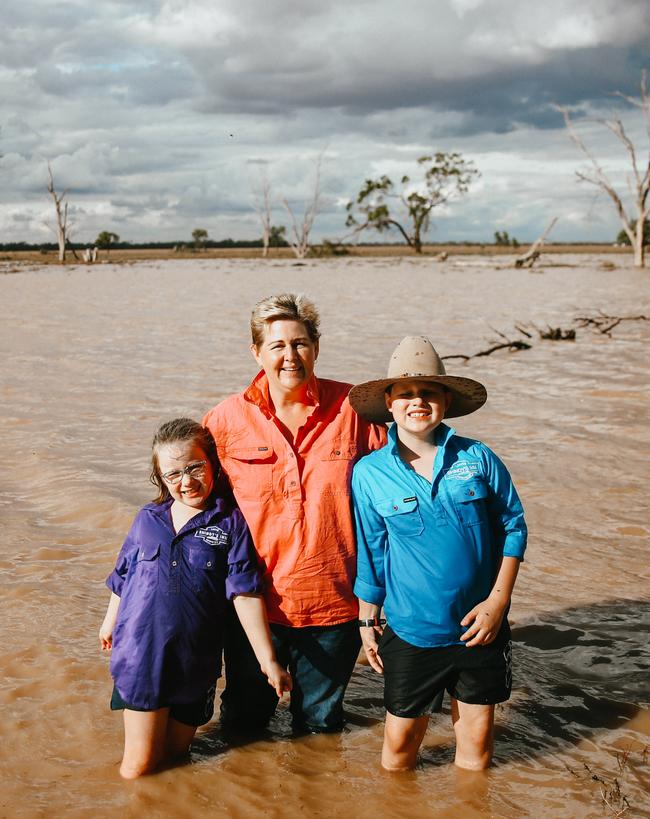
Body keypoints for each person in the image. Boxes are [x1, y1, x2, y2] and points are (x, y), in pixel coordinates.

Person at [203, 294, 386, 734]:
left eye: (301, 343)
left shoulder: (355, 410)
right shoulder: (224, 420)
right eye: (278, 345)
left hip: (335, 606)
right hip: (253, 605)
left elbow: (397, 489)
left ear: (317, 347)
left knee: (321, 727)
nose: (290, 356)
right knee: (244, 723)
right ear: (256, 352)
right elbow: (195, 508)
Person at [349, 335, 527, 771]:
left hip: (480, 627)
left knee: (478, 746)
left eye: (428, 392)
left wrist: (498, 603)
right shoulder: (369, 473)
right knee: (398, 748)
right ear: (388, 404)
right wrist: (366, 620)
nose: (417, 402)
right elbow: (372, 551)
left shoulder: (478, 458)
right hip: (412, 630)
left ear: (445, 400)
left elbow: (514, 527)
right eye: (405, 394)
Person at [99, 418, 291, 778]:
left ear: (212, 464)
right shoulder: (147, 518)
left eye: (194, 467)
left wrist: (268, 661)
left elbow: (245, 593)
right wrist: (110, 622)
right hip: (142, 655)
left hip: (195, 661)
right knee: (139, 767)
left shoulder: (230, 523)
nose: (186, 481)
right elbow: (122, 575)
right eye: (173, 474)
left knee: (176, 759)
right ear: (160, 477)